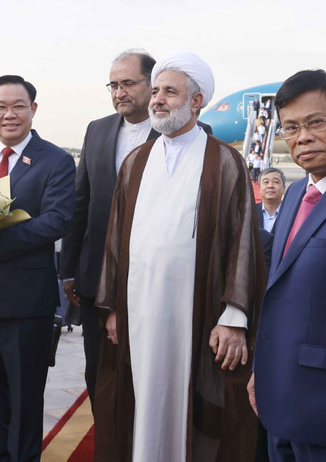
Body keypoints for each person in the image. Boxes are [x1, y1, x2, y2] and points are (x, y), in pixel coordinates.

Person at [95, 52, 264, 462]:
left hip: (196, 312)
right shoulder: (136, 162)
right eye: (155, 91)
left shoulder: (224, 160)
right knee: (135, 400)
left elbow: (243, 239)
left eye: (170, 91)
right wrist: (113, 307)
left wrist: (234, 316)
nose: (158, 100)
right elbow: (115, 241)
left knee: (197, 408)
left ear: (197, 100)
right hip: (138, 311)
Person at [60, 49, 212, 410]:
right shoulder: (97, 130)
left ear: (153, 84)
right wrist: (68, 271)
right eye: (113, 85)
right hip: (98, 277)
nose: (119, 92)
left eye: (128, 83)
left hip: (161, 281)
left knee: (150, 374)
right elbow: (80, 204)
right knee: (99, 369)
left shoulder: (192, 135)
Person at [0, 75, 76, 461]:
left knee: (23, 399)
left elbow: (56, 220)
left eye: (18, 106)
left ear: (33, 110)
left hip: (25, 302)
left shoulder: (55, 160)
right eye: (0, 107)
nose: (10, 114)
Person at [249, 69, 326, 461]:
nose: (302, 137)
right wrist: (262, 370)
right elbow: (281, 293)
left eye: (315, 122)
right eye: (290, 128)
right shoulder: (295, 192)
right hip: (280, 399)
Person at [256, 166, 286, 234]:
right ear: (259, 188)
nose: (270, 186)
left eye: (276, 182)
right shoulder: (250, 212)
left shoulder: (292, 214)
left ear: (284, 188)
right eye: (266, 182)